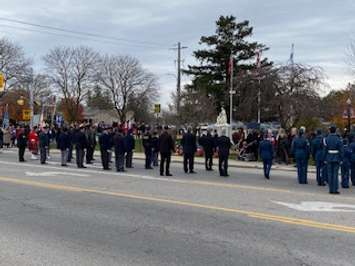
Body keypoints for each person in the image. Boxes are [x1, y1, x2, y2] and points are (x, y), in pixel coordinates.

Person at [324, 125, 343, 194]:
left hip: (329, 157)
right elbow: (341, 150)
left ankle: (330, 189)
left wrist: (325, 158)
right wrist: (341, 158)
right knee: (335, 174)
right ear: (335, 130)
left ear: (330, 130)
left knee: (329, 174)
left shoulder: (326, 139)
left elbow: (325, 149)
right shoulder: (338, 139)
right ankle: (335, 189)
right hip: (336, 157)